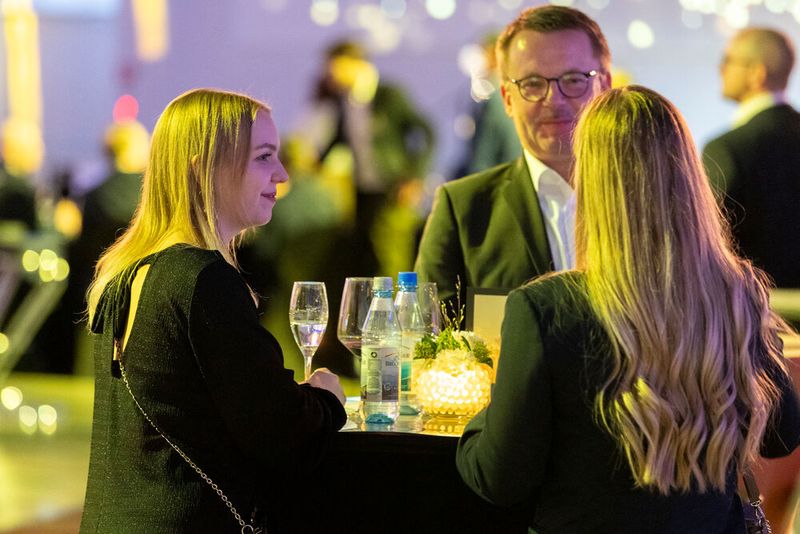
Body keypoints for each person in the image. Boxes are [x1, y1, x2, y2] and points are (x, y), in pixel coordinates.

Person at [456, 85, 800, 533]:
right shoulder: (736, 294)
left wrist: (488, 404)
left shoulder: (546, 309)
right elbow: (782, 435)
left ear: (591, 181)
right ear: (688, 176)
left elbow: (497, 478)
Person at [79, 88, 347, 533]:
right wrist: (326, 399)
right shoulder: (203, 279)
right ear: (205, 166)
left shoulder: (125, 273)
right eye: (263, 157)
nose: (281, 174)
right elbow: (282, 435)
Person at [414, 5, 611, 308]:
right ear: (507, 98)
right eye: (532, 83)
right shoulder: (464, 211)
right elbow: (425, 343)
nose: (552, 99)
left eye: (573, 79)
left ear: (605, 86)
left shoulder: (656, 198)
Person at [308, 39, 435, 278]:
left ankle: (400, 311)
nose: (331, 74)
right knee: (365, 256)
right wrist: (313, 164)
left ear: (354, 64)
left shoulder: (388, 94)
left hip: (393, 188)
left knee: (391, 254)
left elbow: (426, 132)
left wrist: (414, 176)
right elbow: (341, 137)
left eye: (336, 67)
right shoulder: (346, 100)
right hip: (364, 190)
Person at [703, 28, 800, 289]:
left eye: (728, 61)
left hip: (757, 315)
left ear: (757, 73)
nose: (720, 69)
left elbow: (709, 245)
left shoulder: (727, 149)